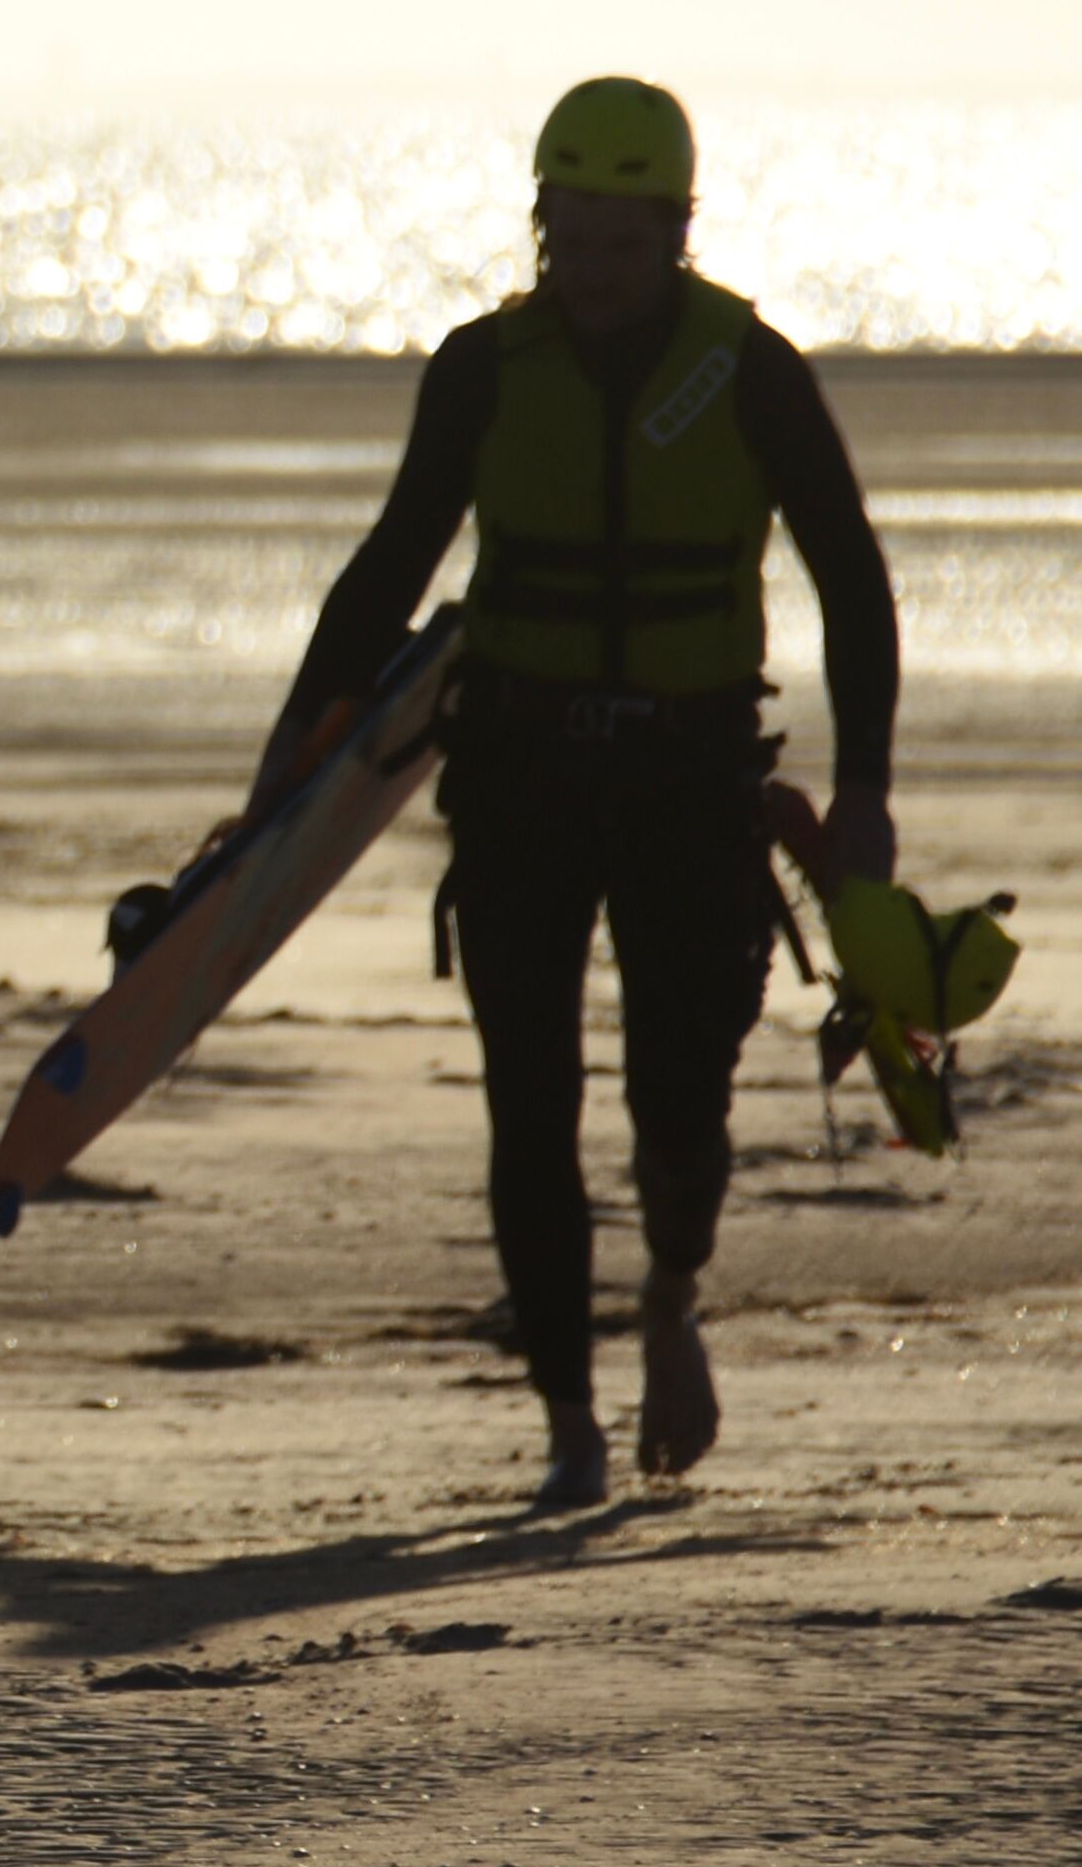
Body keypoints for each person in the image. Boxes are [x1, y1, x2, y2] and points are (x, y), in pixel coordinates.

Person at [263, 76, 897, 1510]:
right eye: (570, 240)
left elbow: (850, 578)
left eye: (621, 245)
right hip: (522, 774)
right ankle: (566, 1421)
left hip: (687, 782)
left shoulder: (750, 369)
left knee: (680, 1106)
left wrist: (863, 792)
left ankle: (670, 1296)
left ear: (676, 233)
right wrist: (294, 747)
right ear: (539, 227)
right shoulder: (486, 368)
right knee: (526, 1101)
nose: (592, 272)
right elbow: (390, 563)